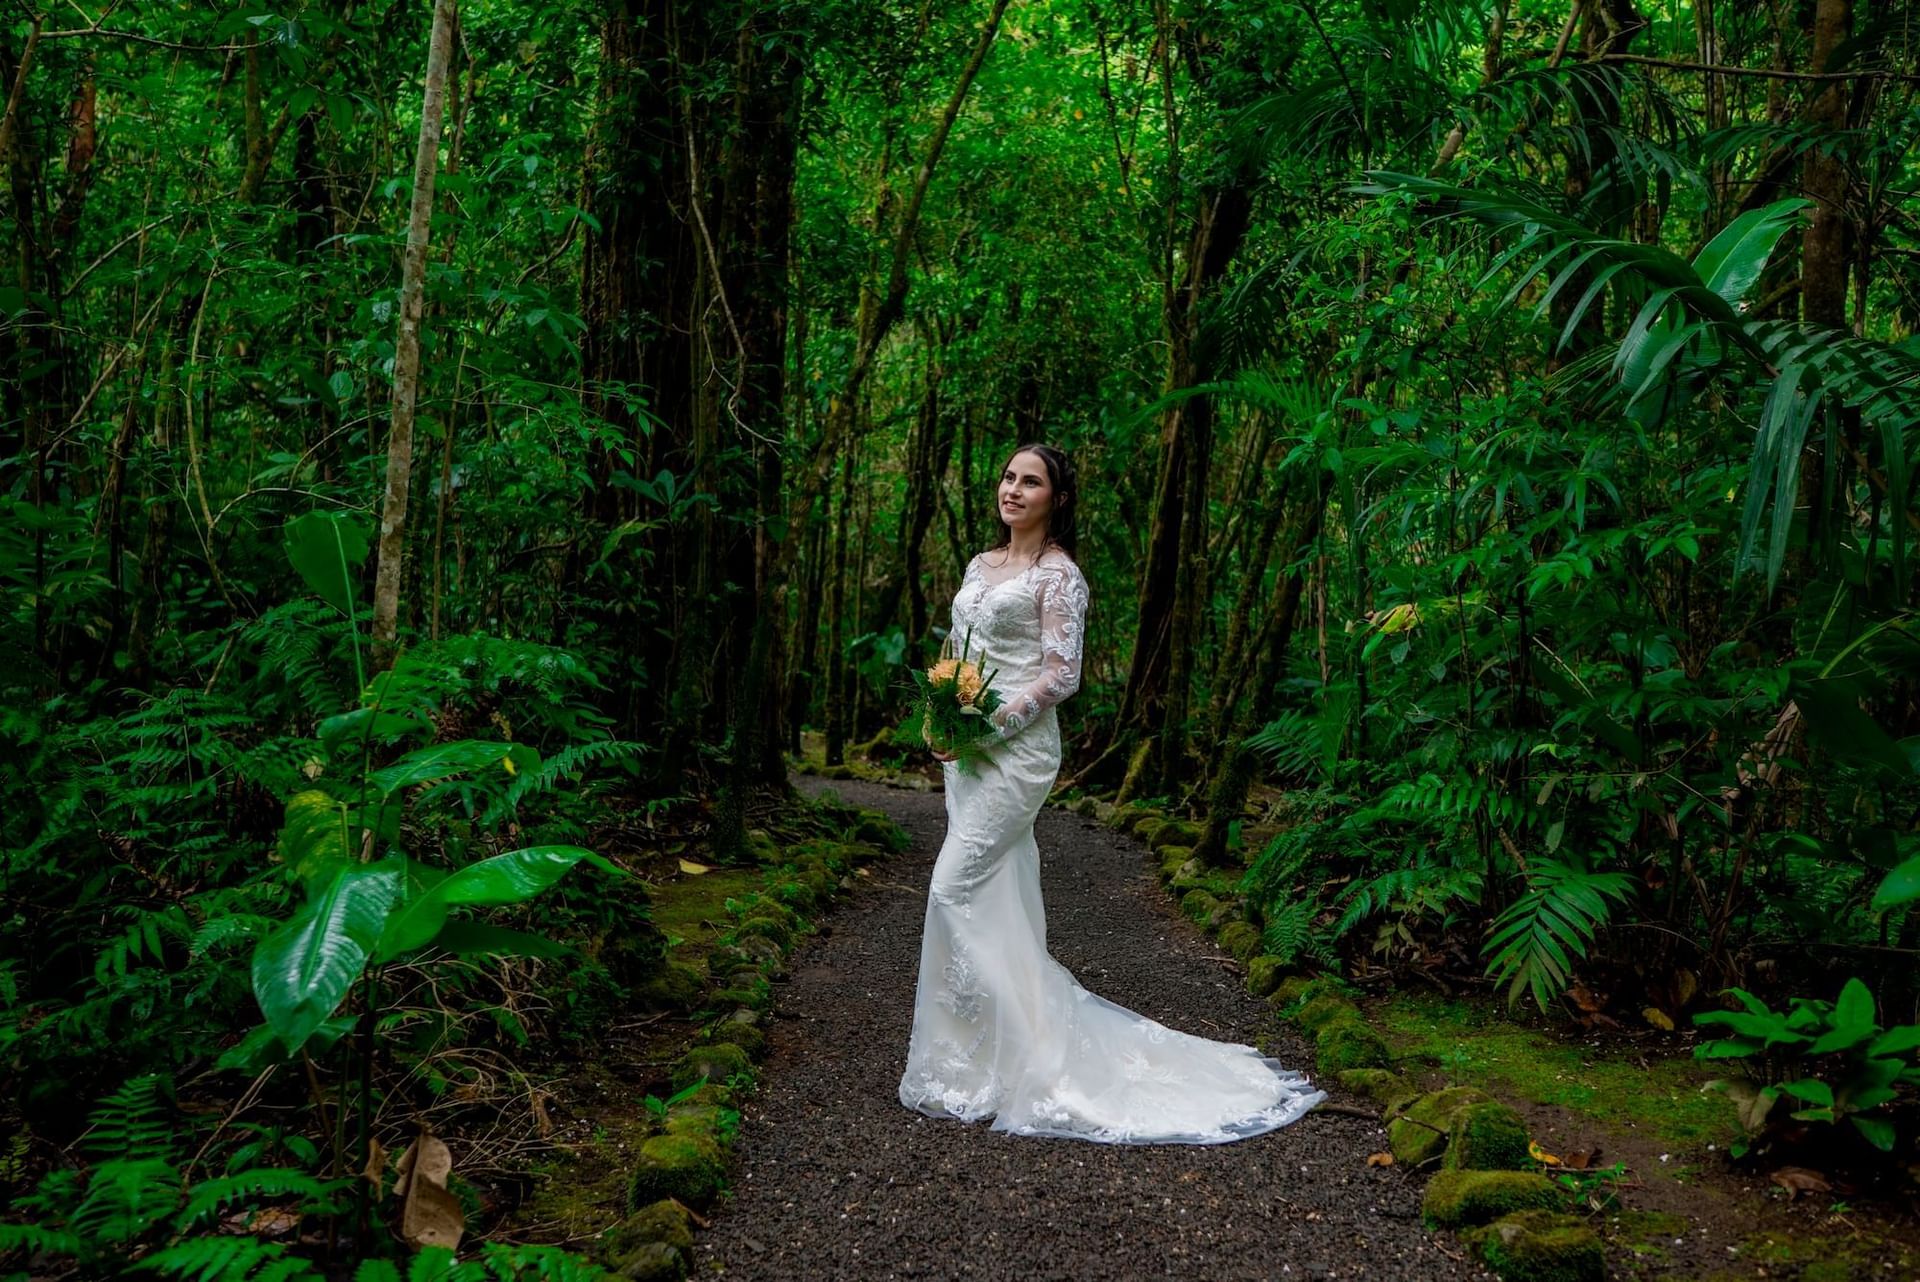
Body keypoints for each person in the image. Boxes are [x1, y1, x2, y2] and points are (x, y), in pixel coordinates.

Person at [898, 443, 1327, 1143]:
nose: (1012, 489)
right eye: (1008, 476)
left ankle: (1041, 1056)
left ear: (1055, 499)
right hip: (965, 755)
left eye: (1029, 482)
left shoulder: (1059, 577)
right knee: (995, 891)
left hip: (1017, 754)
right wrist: (938, 717)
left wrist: (988, 726)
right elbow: (956, 646)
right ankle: (974, 1061)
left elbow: (1060, 677)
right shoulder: (981, 566)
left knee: (952, 887)